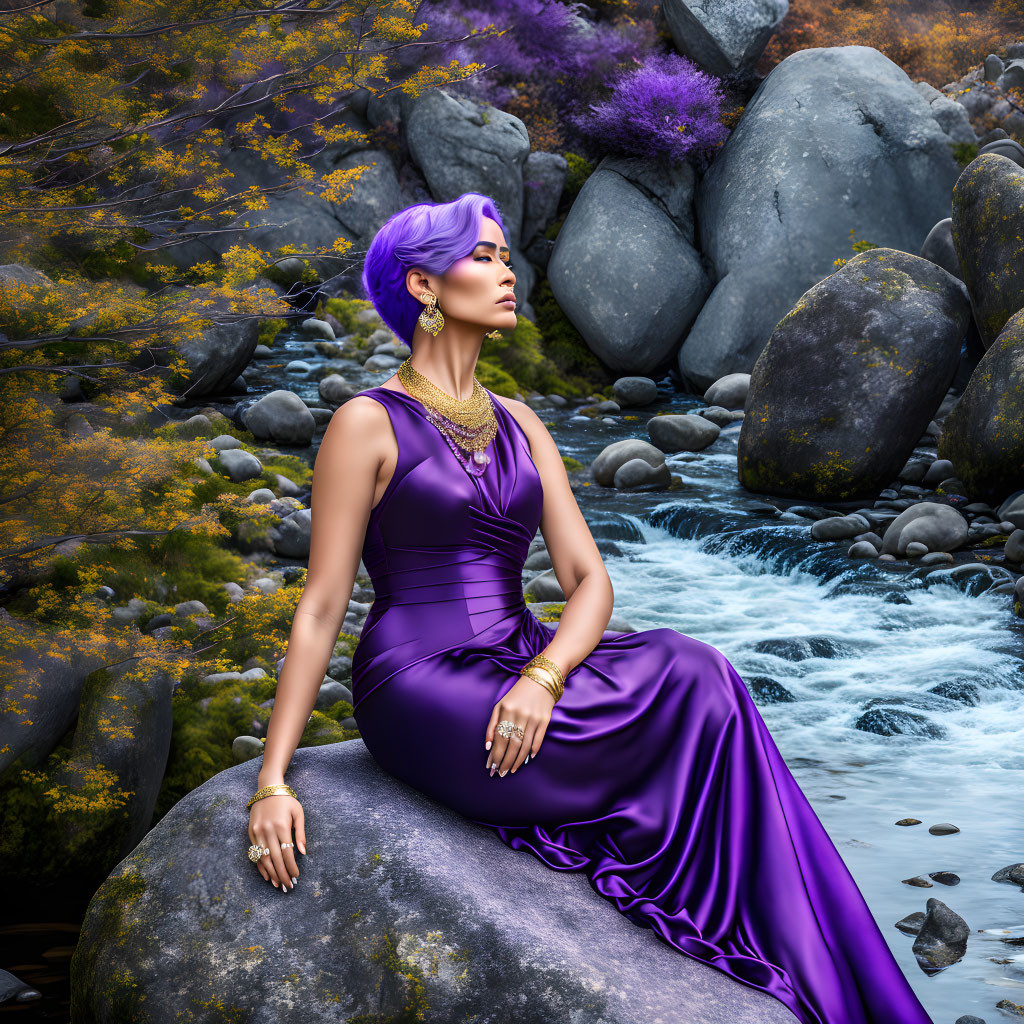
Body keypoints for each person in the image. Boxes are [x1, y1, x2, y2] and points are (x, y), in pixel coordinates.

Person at [247, 192, 935, 1024]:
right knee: (651, 727)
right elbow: (322, 606)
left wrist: (544, 675)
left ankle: (809, 951)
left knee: (701, 672)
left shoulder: (523, 422)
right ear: (425, 286)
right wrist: (274, 780)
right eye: (486, 257)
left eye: (506, 256)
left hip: (520, 649)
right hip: (420, 680)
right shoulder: (366, 423)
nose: (508, 274)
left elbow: (590, 581)